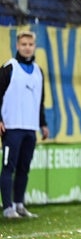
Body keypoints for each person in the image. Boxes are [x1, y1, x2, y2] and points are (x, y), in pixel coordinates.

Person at [0, 30, 50, 218]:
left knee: (24, 168)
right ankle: (7, 208)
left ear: (34, 47)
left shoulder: (38, 71)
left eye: (30, 44)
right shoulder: (9, 67)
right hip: (12, 127)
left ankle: (19, 204)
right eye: (24, 44)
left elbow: (40, 100)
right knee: (8, 167)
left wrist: (43, 124)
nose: (27, 48)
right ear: (17, 46)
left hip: (30, 128)